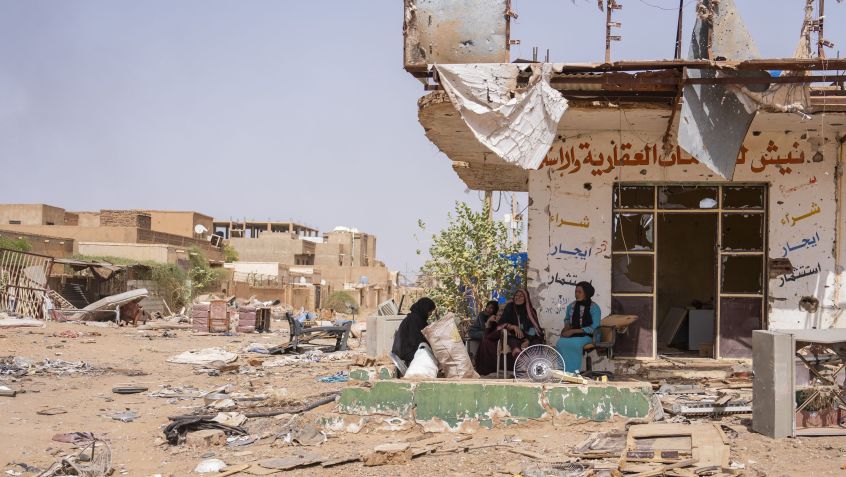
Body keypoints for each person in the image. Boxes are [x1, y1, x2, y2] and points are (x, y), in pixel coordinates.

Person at [475, 289, 544, 376]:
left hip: (529, 336)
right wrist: (512, 326)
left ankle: (537, 370)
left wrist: (528, 340)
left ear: (526, 298)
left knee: (537, 343)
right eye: (516, 295)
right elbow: (502, 323)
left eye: (521, 296)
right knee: (514, 343)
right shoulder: (510, 307)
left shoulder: (531, 311)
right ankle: (522, 369)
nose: (518, 297)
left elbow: (534, 328)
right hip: (513, 335)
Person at [555, 281, 601, 374]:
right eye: (576, 291)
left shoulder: (594, 308)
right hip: (574, 335)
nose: (577, 294)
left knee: (574, 343)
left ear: (586, 293)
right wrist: (566, 329)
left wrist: (573, 331)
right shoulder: (571, 306)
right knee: (560, 342)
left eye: (580, 292)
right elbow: (567, 319)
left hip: (590, 336)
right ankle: (563, 371)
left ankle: (573, 373)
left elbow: (594, 327)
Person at [391, 297, 437, 366]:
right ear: (425, 309)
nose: (430, 314)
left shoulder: (416, 318)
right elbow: (416, 341)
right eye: (430, 311)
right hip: (406, 352)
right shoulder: (415, 320)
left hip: (406, 350)